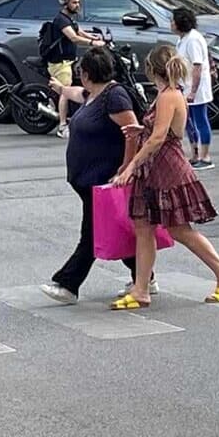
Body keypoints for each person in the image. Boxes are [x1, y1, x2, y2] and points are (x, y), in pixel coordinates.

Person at [109, 46, 219, 310]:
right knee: (143, 227)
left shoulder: (168, 96)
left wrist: (131, 166)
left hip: (167, 167)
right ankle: (141, 289)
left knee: (179, 229)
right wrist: (141, 129)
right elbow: (157, 130)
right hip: (157, 167)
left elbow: (159, 138)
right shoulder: (166, 94)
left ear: (151, 69)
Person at [38, 48, 142, 304]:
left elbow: (133, 131)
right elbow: (77, 94)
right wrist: (61, 89)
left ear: (86, 74)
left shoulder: (114, 96)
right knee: (114, 230)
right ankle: (144, 276)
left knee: (93, 234)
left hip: (103, 179)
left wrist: (125, 167)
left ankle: (68, 284)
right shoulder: (93, 93)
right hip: (87, 180)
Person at [45, 0, 105, 138]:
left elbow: (78, 32)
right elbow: (73, 37)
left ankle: (54, 102)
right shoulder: (61, 20)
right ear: (65, 3)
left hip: (70, 60)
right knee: (66, 91)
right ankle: (62, 125)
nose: (77, 4)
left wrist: (93, 36)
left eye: (78, 1)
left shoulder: (70, 18)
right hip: (60, 62)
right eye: (74, 2)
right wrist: (92, 42)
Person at [173, 8, 214, 169]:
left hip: (194, 88)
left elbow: (197, 66)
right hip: (186, 86)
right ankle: (195, 153)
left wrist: (193, 91)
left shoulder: (193, 40)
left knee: (200, 120)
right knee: (190, 122)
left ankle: (205, 156)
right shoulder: (183, 39)